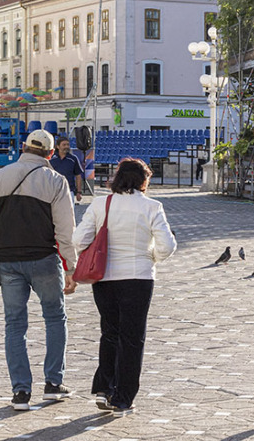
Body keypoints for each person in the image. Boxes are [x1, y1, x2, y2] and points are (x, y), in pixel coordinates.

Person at [0, 128, 77, 411]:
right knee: (55, 318)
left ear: (23, 147)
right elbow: (65, 229)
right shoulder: (56, 181)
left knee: (15, 324)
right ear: (50, 153)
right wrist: (71, 267)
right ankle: (53, 383)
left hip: (7, 259)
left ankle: (20, 391)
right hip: (44, 258)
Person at [73, 156, 176, 415]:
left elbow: (79, 239)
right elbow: (167, 246)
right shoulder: (152, 207)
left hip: (104, 277)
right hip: (138, 277)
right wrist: (151, 257)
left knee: (109, 332)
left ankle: (104, 387)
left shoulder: (101, 204)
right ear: (144, 181)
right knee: (132, 338)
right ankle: (123, 398)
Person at [51, 137, 84, 203]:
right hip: (54, 192)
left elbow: (78, 176)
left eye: (68, 144)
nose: (66, 146)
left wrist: (79, 192)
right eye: (64, 145)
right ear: (58, 146)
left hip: (69, 191)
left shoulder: (73, 159)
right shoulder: (51, 159)